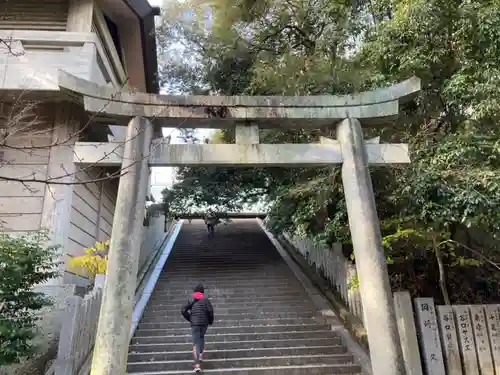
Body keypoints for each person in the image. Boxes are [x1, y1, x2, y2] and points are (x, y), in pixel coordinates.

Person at [181, 285, 214, 372]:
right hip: (204, 324)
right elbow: (210, 311)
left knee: (196, 343)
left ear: (195, 292)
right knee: (201, 337)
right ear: (202, 293)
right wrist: (210, 321)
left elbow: (183, 310)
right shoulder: (206, 300)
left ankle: (197, 365)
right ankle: (200, 356)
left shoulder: (192, 301)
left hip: (195, 324)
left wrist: (190, 319)